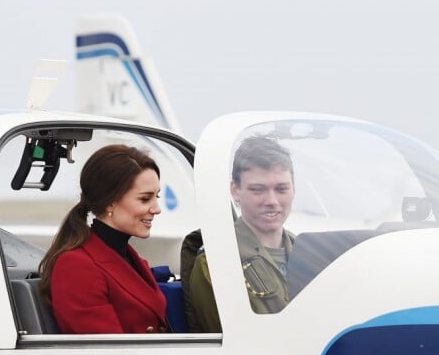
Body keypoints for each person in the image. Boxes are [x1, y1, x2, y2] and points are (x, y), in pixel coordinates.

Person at [38, 144, 169, 334]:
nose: (156, 209)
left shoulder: (130, 258)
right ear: (110, 202)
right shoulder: (77, 267)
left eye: (156, 197)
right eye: (145, 199)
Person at [185, 135, 295, 332]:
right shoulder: (217, 263)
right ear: (235, 190)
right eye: (258, 190)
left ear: (293, 189)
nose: (271, 200)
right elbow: (236, 350)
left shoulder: (309, 254)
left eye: (281, 189)